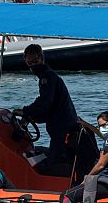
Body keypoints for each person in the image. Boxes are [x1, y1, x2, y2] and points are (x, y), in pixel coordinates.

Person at [13, 44, 78, 172]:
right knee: (53, 154)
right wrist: (32, 116)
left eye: (35, 62)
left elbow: (45, 102)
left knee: (56, 161)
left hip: (62, 127)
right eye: (30, 63)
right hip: (61, 124)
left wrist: (25, 111)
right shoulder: (49, 76)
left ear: (42, 58)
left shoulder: (47, 77)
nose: (33, 66)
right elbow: (47, 107)